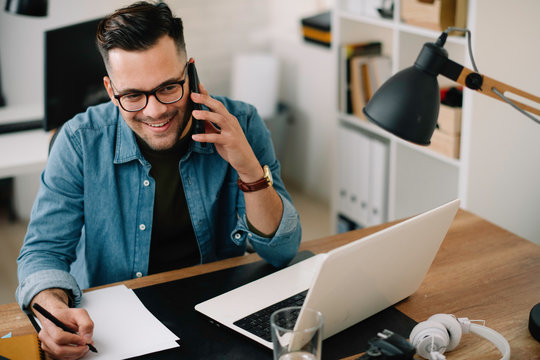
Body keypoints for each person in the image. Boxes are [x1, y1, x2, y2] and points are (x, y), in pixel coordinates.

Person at [16, 2, 301, 358]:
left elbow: (283, 250)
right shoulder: (79, 141)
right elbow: (43, 253)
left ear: (190, 72)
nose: (155, 111)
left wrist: (248, 169)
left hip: (216, 318)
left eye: (169, 87)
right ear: (110, 89)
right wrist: (52, 313)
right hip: (119, 331)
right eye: (133, 95)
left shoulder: (241, 123)